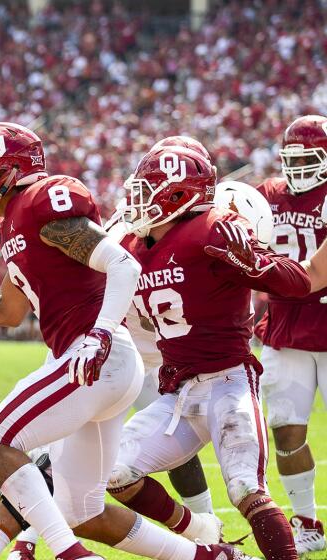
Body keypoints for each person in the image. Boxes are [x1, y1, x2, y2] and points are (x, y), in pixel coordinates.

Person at [0, 122, 248, 560]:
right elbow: (8, 311)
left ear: (4, 171)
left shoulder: (42, 200)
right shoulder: (13, 221)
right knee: (84, 511)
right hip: (104, 364)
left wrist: (97, 335)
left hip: (92, 357)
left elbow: (124, 266)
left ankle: (67, 553)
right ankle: (210, 556)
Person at [105, 143, 310, 560]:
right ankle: (200, 532)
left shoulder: (214, 229)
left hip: (228, 382)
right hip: (177, 393)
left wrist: (253, 258)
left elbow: (298, 284)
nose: (137, 199)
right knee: (115, 474)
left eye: (148, 189)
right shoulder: (132, 242)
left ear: (179, 197)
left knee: (244, 487)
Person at [253, 114, 327, 554]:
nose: (297, 167)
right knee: (285, 430)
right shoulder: (267, 196)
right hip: (285, 326)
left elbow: (316, 274)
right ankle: (308, 523)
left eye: (309, 158)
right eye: (292, 158)